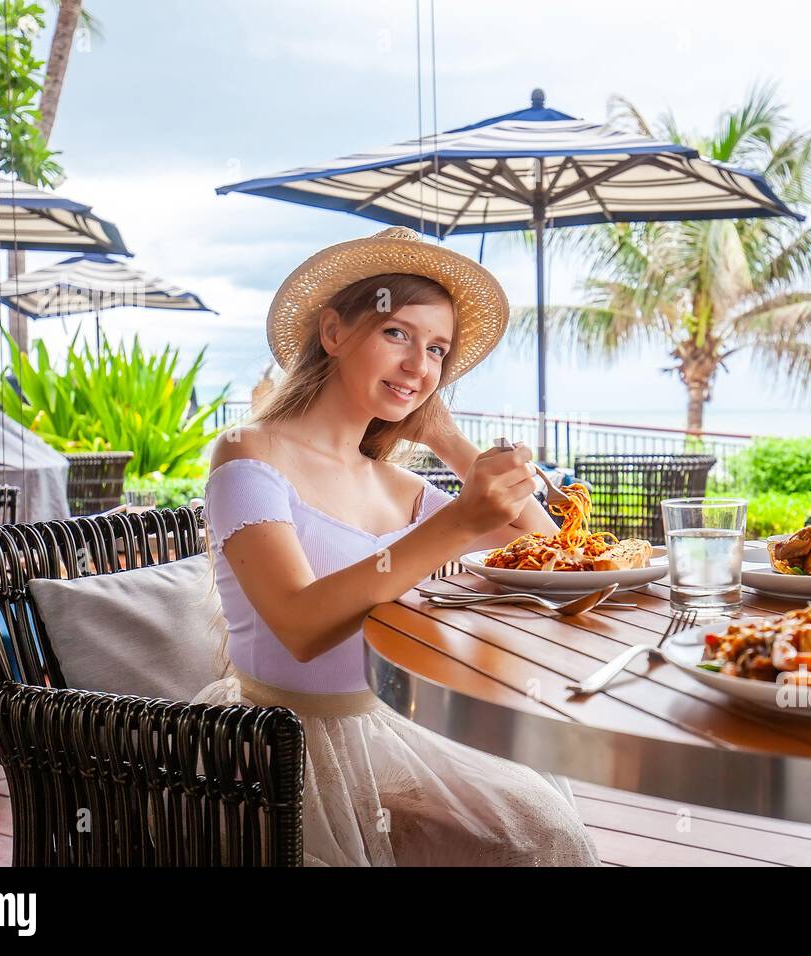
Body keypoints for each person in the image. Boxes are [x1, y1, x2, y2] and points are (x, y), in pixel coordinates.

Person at [192, 226, 600, 866]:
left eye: (438, 351)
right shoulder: (250, 451)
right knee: (528, 841)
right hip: (287, 742)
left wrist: (444, 435)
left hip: (393, 725)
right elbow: (300, 624)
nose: (419, 365)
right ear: (333, 333)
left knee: (541, 830)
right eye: (397, 334)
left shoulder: (396, 484)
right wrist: (456, 526)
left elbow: (545, 543)